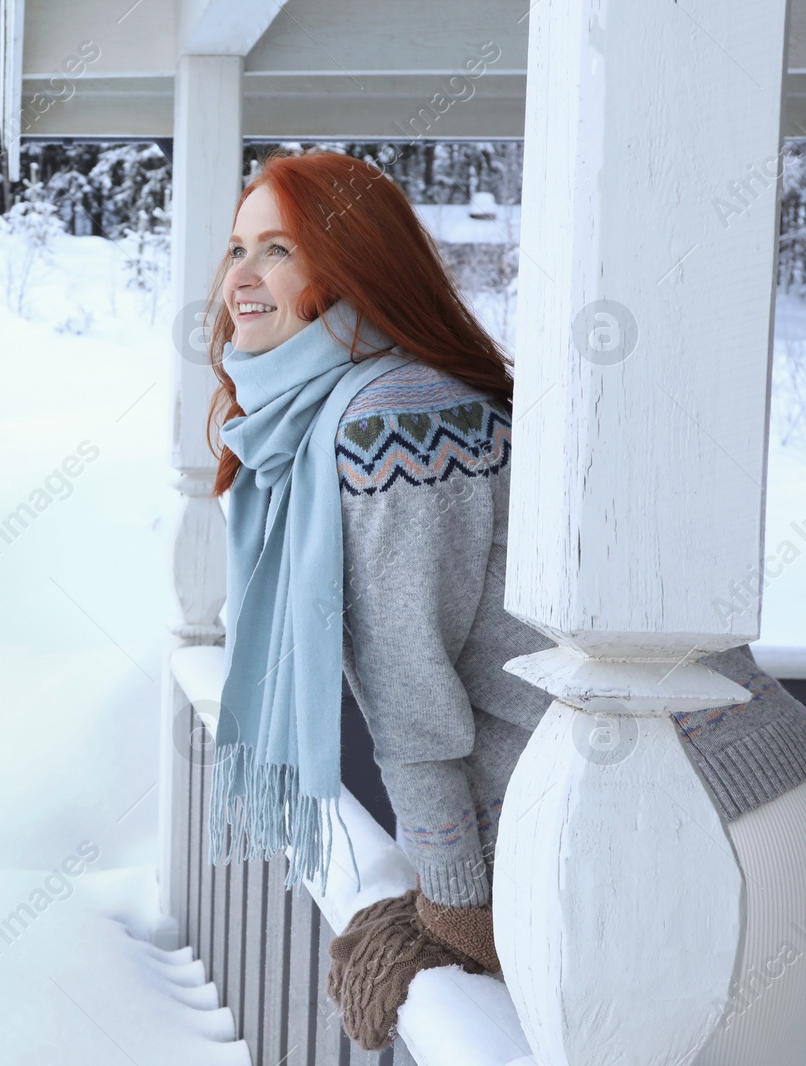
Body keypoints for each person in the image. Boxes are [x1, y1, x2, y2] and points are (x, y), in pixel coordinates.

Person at [203, 146, 806, 1057]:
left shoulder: (390, 418)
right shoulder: (381, 398)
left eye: (278, 250)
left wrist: (452, 901)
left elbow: (411, 692)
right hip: (707, 795)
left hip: (691, 820)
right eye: (236, 248)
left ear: (354, 266)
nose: (239, 280)